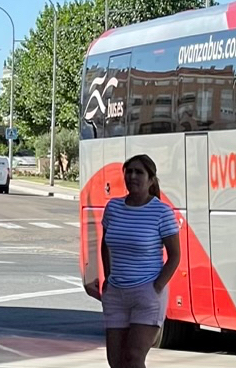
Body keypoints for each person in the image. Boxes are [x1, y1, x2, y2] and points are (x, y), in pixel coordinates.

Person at [85, 154, 180, 368]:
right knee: (116, 361)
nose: (132, 176)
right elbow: (105, 244)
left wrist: (157, 286)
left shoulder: (161, 212)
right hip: (116, 294)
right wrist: (107, 277)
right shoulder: (114, 208)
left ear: (150, 179)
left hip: (146, 294)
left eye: (139, 172)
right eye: (129, 171)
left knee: (134, 357)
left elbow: (175, 255)